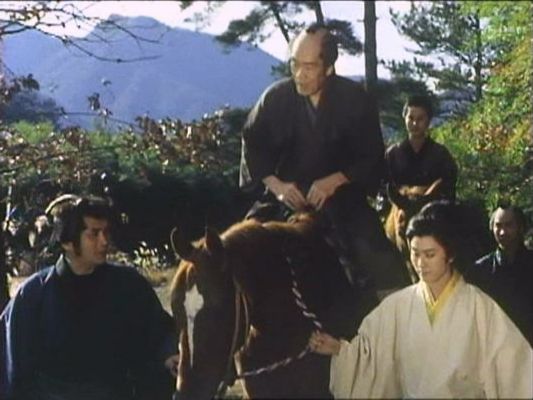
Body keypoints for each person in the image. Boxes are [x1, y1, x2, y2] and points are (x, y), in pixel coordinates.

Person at [239, 22, 409, 293]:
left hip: (342, 200)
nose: (299, 75)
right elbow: (252, 142)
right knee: (240, 248)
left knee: (381, 262)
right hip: (285, 198)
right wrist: (277, 186)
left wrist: (336, 180)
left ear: (328, 68)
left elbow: (371, 155)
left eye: (309, 67)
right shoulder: (275, 98)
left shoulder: (355, 99)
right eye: (294, 64)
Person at [308, 200, 532, 399]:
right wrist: (340, 350)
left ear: (450, 255)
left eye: (430, 255)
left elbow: (512, 365)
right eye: (415, 253)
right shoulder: (397, 307)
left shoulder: (479, 307)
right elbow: (370, 357)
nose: (420, 263)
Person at [0, 195, 178, 400]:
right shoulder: (33, 295)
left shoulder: (129, 286)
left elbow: (159, 331)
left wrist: (168, 354)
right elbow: (13, 368)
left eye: (106, 232)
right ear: (67, 241)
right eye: (94, 234)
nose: (104, 241)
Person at [465, 204, 533, 345]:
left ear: (520, 227)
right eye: (498, 226)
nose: (502, 232)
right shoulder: (480, 271)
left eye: (508, 225)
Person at [384, 95, 458, 200]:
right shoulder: (393, 154)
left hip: (433, 207)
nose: (415, 123)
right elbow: (384, 190)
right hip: (399, 207)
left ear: (429, 120)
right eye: (411, 118)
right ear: (404, 118)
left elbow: (448, 190)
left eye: (420, 119)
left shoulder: (441, 155)